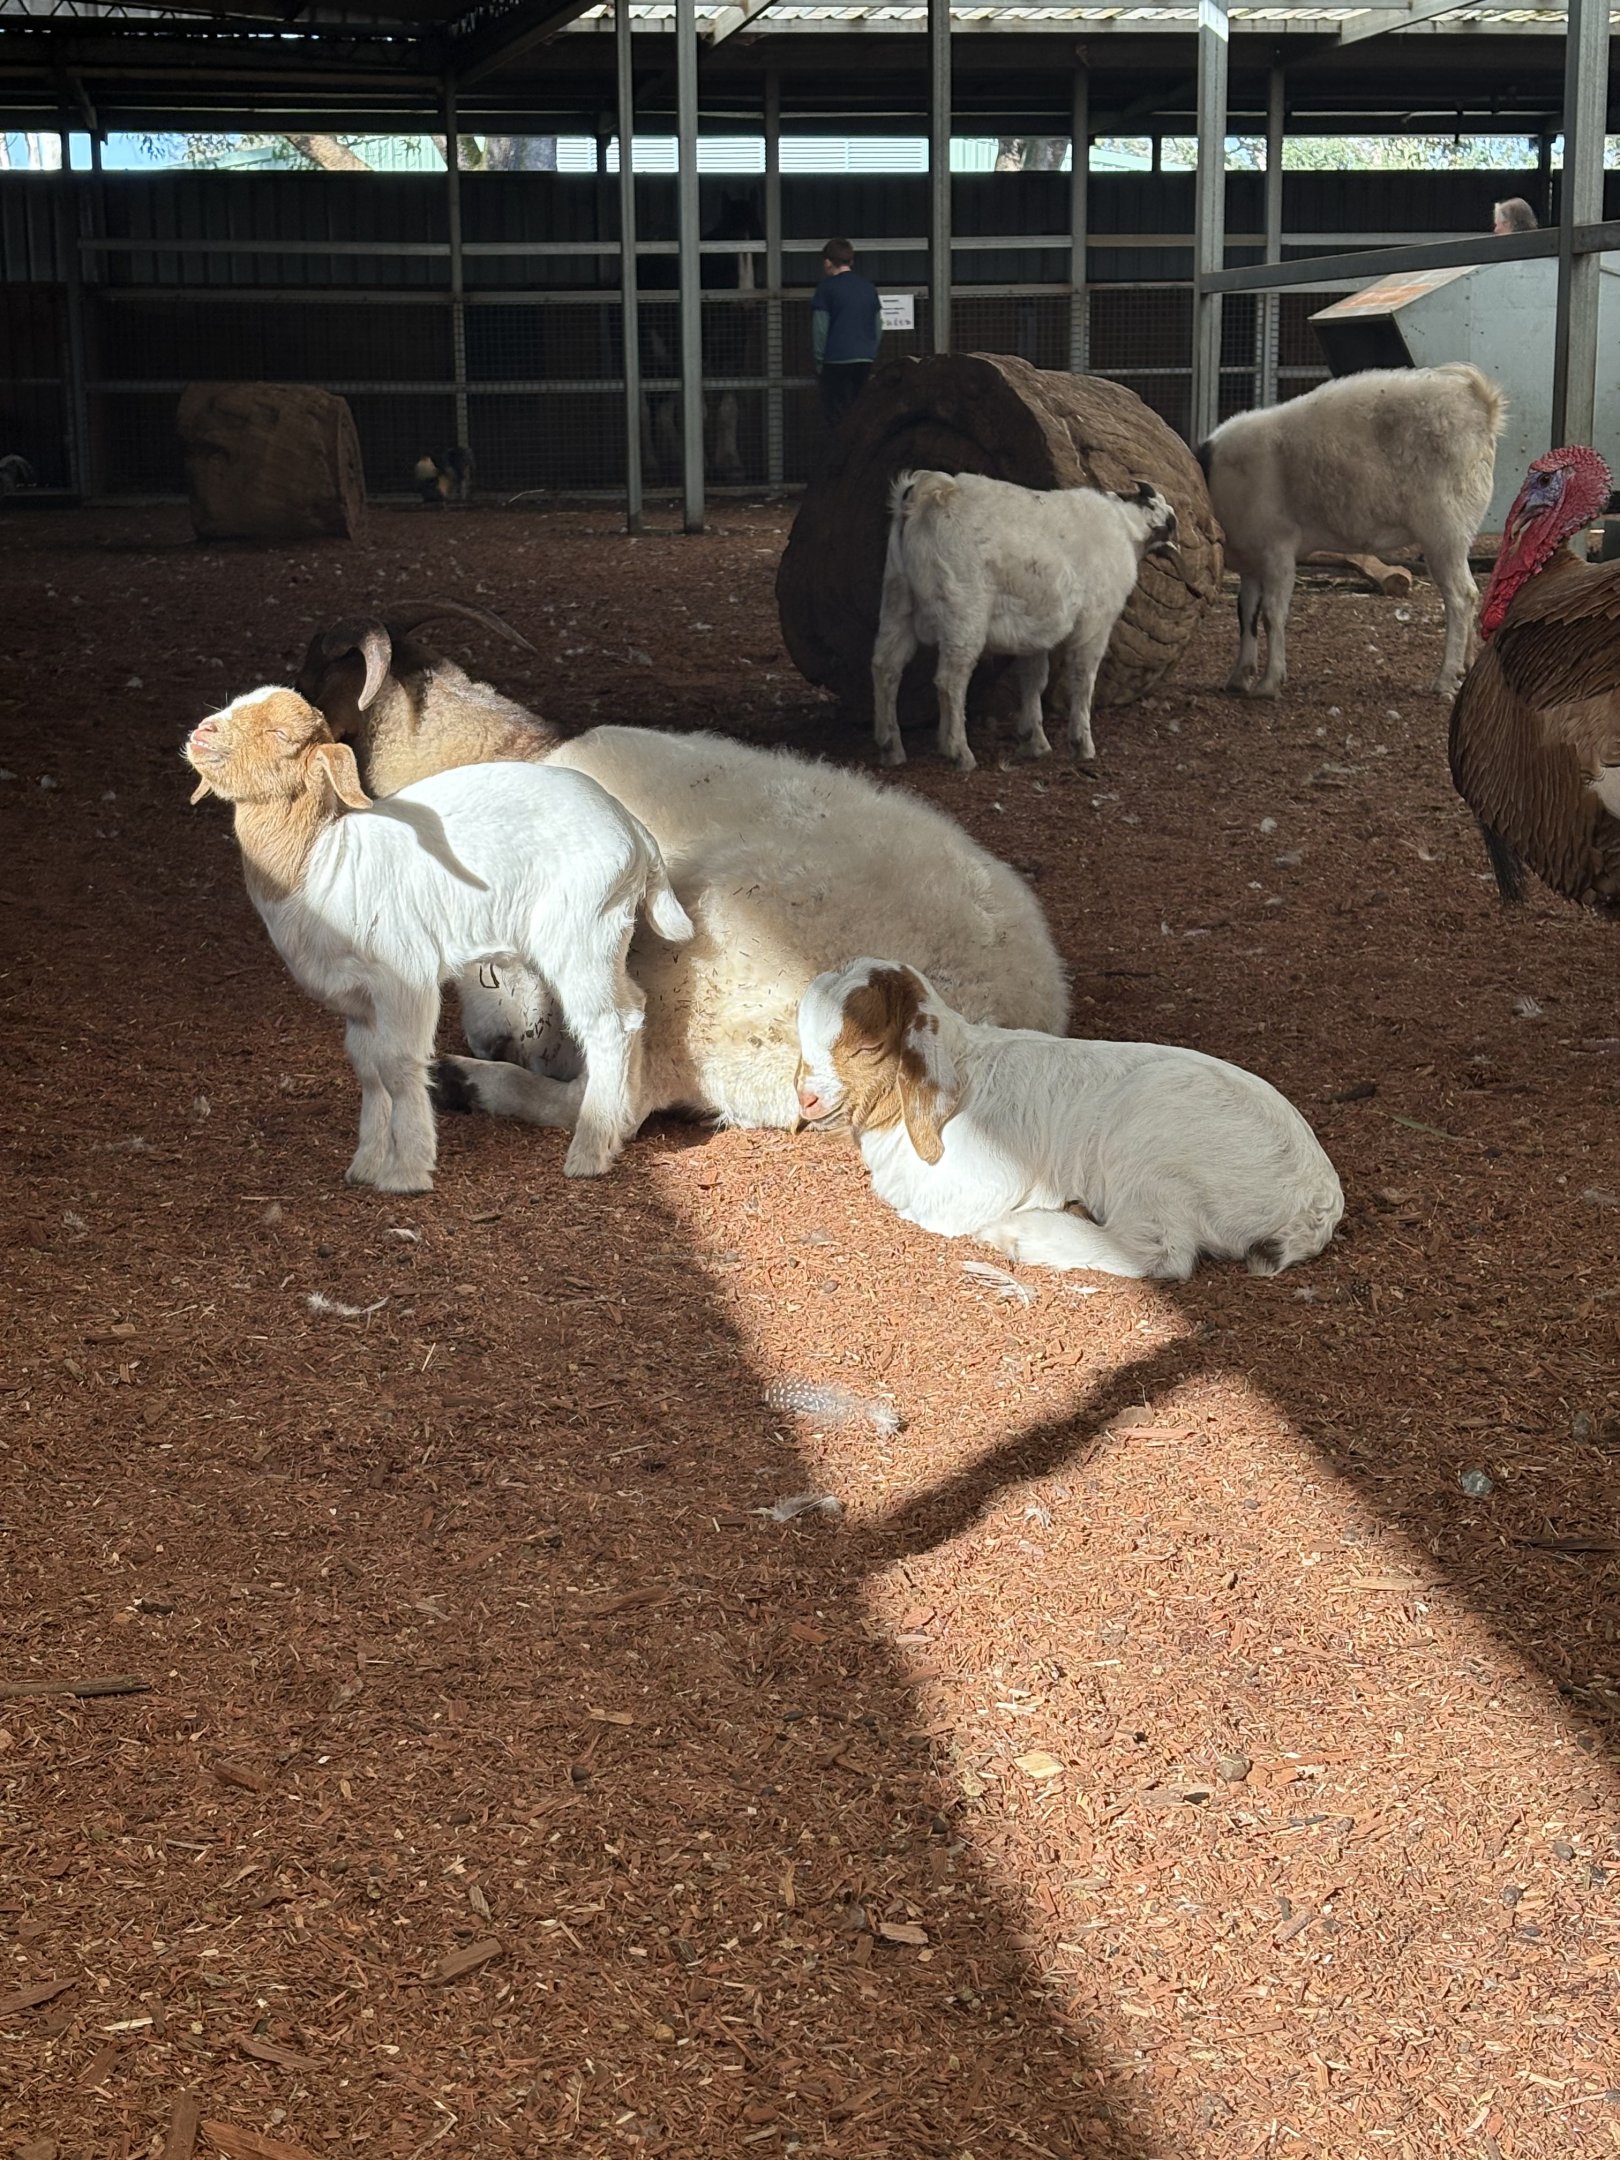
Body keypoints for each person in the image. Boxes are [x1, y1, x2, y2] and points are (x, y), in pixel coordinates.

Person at [811, 238, 883, 428]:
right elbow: (878, 326)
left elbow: (820, 329)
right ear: (851, 261)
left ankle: (841, 455)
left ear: (827, 262)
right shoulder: (869, 288)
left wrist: (820, 362)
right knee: (860, 414)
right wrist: (870, 353)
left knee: (837, 417)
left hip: (835, 360)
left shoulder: (826, 288)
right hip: (864, 360)